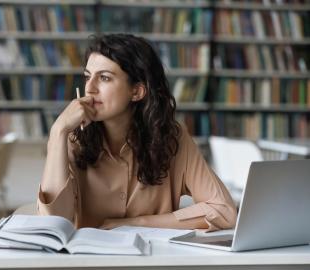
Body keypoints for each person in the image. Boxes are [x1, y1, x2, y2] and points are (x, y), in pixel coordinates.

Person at [38, 34, 237, 231]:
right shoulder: (72, 138)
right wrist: (58, 131)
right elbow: (52, 224)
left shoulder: (172, 138)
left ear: (137, 92)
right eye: (88, 77)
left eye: (104, 78)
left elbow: (224, 211)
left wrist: (137, 223)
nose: (90, 89)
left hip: (154, 260)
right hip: (91, 261)